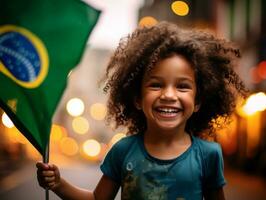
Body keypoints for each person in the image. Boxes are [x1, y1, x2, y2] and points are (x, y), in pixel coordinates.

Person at [36, 21, 247, 200]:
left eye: (182, 86)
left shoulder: (209, 155)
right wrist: (58, 184)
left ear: (198, 101)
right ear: (137, 98)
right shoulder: (123, 151)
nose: (169, 95)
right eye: (156, 85)